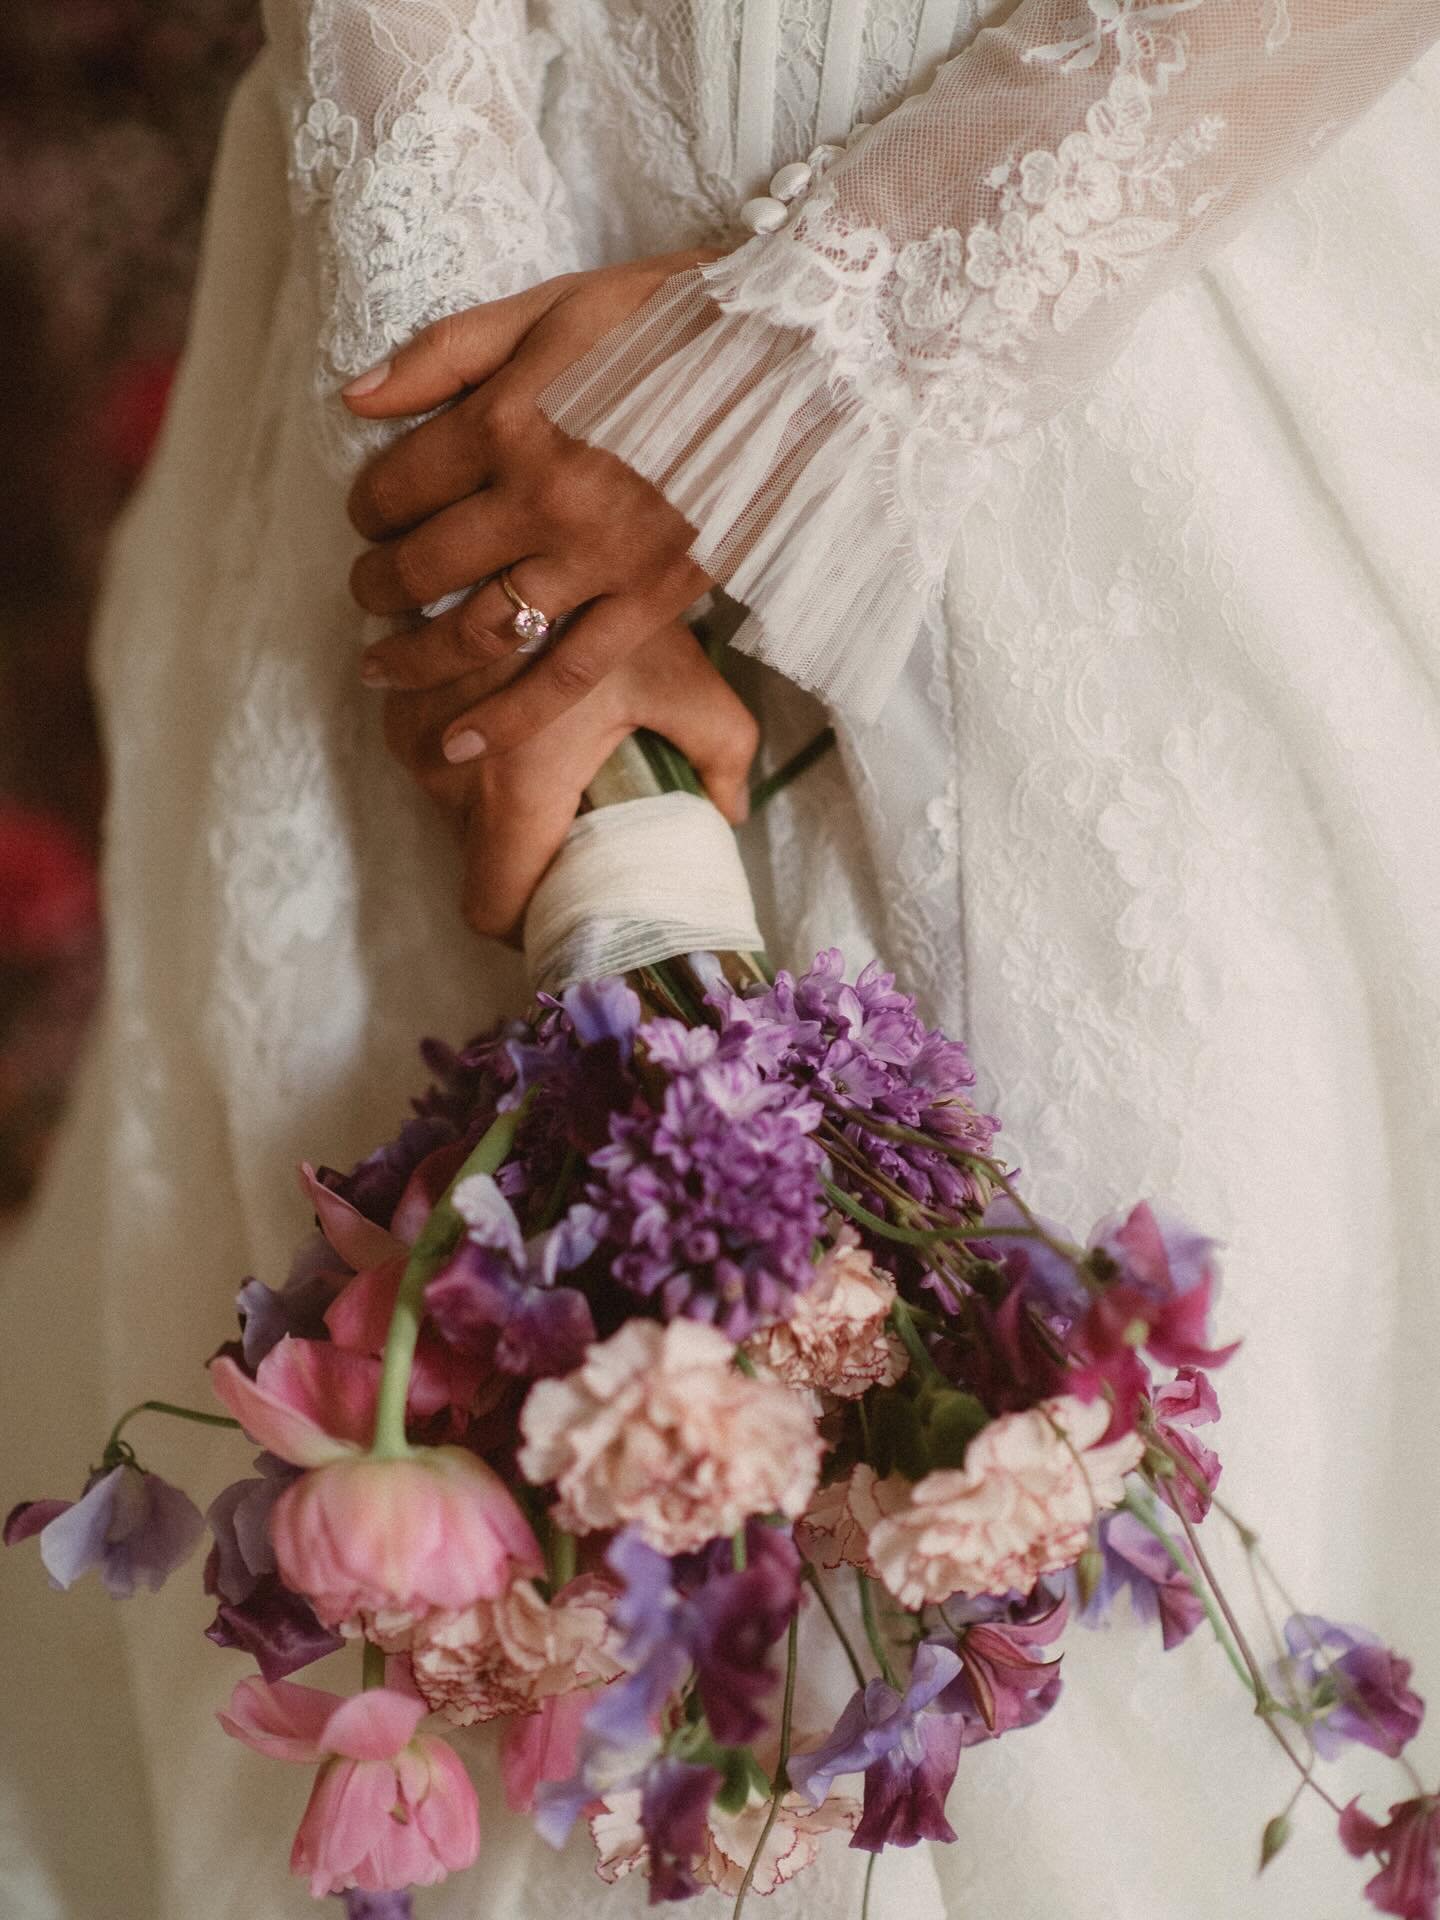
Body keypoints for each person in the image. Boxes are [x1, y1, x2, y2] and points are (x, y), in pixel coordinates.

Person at [3, 2, 1439, 1915]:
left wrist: (793, 367)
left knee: (1131, 1562)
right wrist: (490, 538)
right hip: (483, 275)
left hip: (1126, 279)